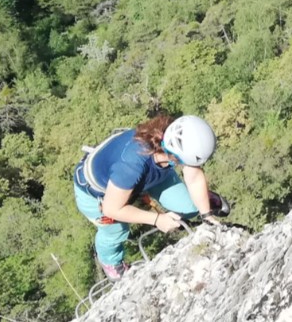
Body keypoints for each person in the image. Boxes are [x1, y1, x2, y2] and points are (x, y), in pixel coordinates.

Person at [72, 114, 221, 280]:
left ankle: (201, 198)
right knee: (116, 230)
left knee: (190, 207)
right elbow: (111, 208)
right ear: (175, 156)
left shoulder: (173, 138)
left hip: (149, 175)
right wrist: (158, 220)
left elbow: (193, 175)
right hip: (97, 193)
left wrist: (207, 215)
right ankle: (111, 262)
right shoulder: (131, 164)